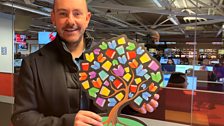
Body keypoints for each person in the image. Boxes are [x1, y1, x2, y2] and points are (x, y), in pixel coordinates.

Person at [11, 0, 159, 126]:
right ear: (53, 18)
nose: (70, 21)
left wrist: (131, 104)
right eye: (63, 13)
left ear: (87, 18)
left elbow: (114, 106)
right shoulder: (33, 64)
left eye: (77, 13)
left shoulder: (110, 59)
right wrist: (67, 123)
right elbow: (21, 117)